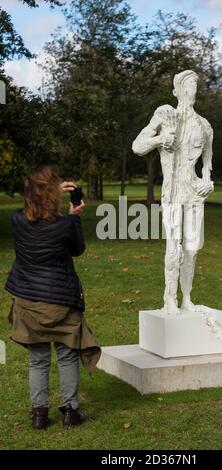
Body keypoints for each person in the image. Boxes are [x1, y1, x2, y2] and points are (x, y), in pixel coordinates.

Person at [5, 166, 101, 430]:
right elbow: (78, 249)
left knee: (38, 360)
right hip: (61, 301)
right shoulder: (66, 225)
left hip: (27, 301)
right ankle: (70, 412)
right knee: (67, 357)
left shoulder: (17, 221)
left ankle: (39, 415)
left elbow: (35, 212)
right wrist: (74, 215)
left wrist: (47, 192)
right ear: (50, 194)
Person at [132, 70, 214, 315]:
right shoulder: (165, 115)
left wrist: (208, 182)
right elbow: (137, 147)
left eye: (194, 86)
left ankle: (187, 298)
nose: (192, 91)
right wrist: (159, 139)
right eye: (187, 86)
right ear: (176, 91)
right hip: (172, 191)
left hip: (193, 192)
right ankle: (169, 298)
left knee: (192, 248)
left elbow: (207, 163)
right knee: (173, 246)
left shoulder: (204, 125)